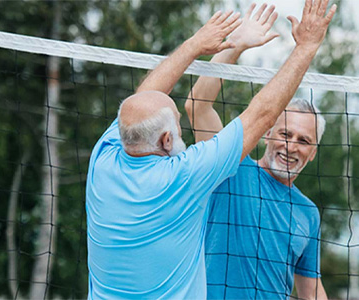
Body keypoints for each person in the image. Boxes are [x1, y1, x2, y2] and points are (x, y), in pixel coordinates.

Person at [85, 0, 336, 298]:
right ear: (166, 140)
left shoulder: (105, 156)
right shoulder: (187, 176)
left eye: (304, 140)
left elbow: (142, 102)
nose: (291, 145)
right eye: (178, 126)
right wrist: (306, 47)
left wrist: (196, 45)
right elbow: (259, 113)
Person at [184, 3, 329, 299]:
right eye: (285, 134)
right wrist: (235, 45)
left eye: (303, 140)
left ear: (313, 152)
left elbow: (310, 291)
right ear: (266, 133)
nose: (291, 147)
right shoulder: (231, 168)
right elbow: (197, 105)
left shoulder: (308, 213)